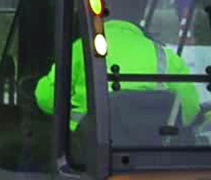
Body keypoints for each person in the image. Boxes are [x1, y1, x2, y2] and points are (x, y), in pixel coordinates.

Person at [36, 18, 200, 133]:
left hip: (87, 150)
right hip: (154, 149)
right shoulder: (163, 54)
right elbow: (190, 106)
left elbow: (48, 98)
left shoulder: (80, 48)